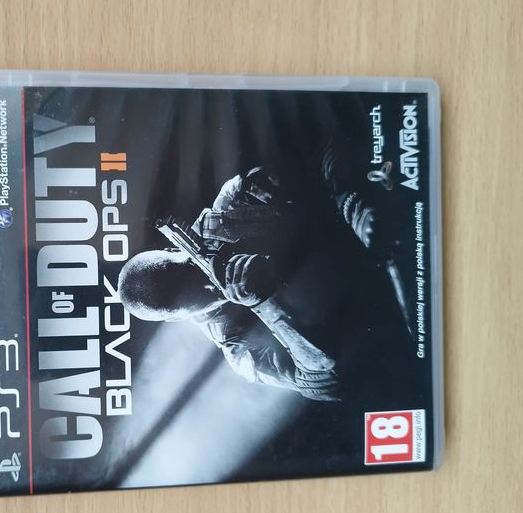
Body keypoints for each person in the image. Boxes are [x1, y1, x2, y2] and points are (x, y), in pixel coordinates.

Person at [118, 158, 413, 402]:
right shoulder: (238, 347)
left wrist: (348, 204)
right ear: (176, 319)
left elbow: (318, 160)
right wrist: (266, 306)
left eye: (188, 270)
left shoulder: (228, 208)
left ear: (174, 250)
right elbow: (326, 382)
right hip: (390, 306)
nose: (208, 281)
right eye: (192, 294)